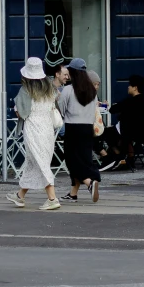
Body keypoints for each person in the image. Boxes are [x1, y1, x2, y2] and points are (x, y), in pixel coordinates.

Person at [12, 59, 61, 210]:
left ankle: (52, 198)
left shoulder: (25, 90)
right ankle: (20, 196)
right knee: (34, 161)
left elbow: (22, 113)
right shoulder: (50, 88)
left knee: (40, 162)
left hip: (33, 128)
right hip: (47, 128)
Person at [58, 59, 104, 203]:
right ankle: (73, 194)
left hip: (73, 128)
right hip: (87, 128)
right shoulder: (92, 90)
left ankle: (90, 182)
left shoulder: (68, 90)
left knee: (72, 161)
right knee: (84, 159)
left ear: (72, 72)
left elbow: (61, 109)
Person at [116, 75, 144, 167]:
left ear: (135, 88)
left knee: (108, 134)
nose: (128, 87)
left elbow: (112, 110)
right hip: (142, 133)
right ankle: (129, 158)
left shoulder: (128, 102)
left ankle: (118, 157)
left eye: (130, 85)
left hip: (129, 132)